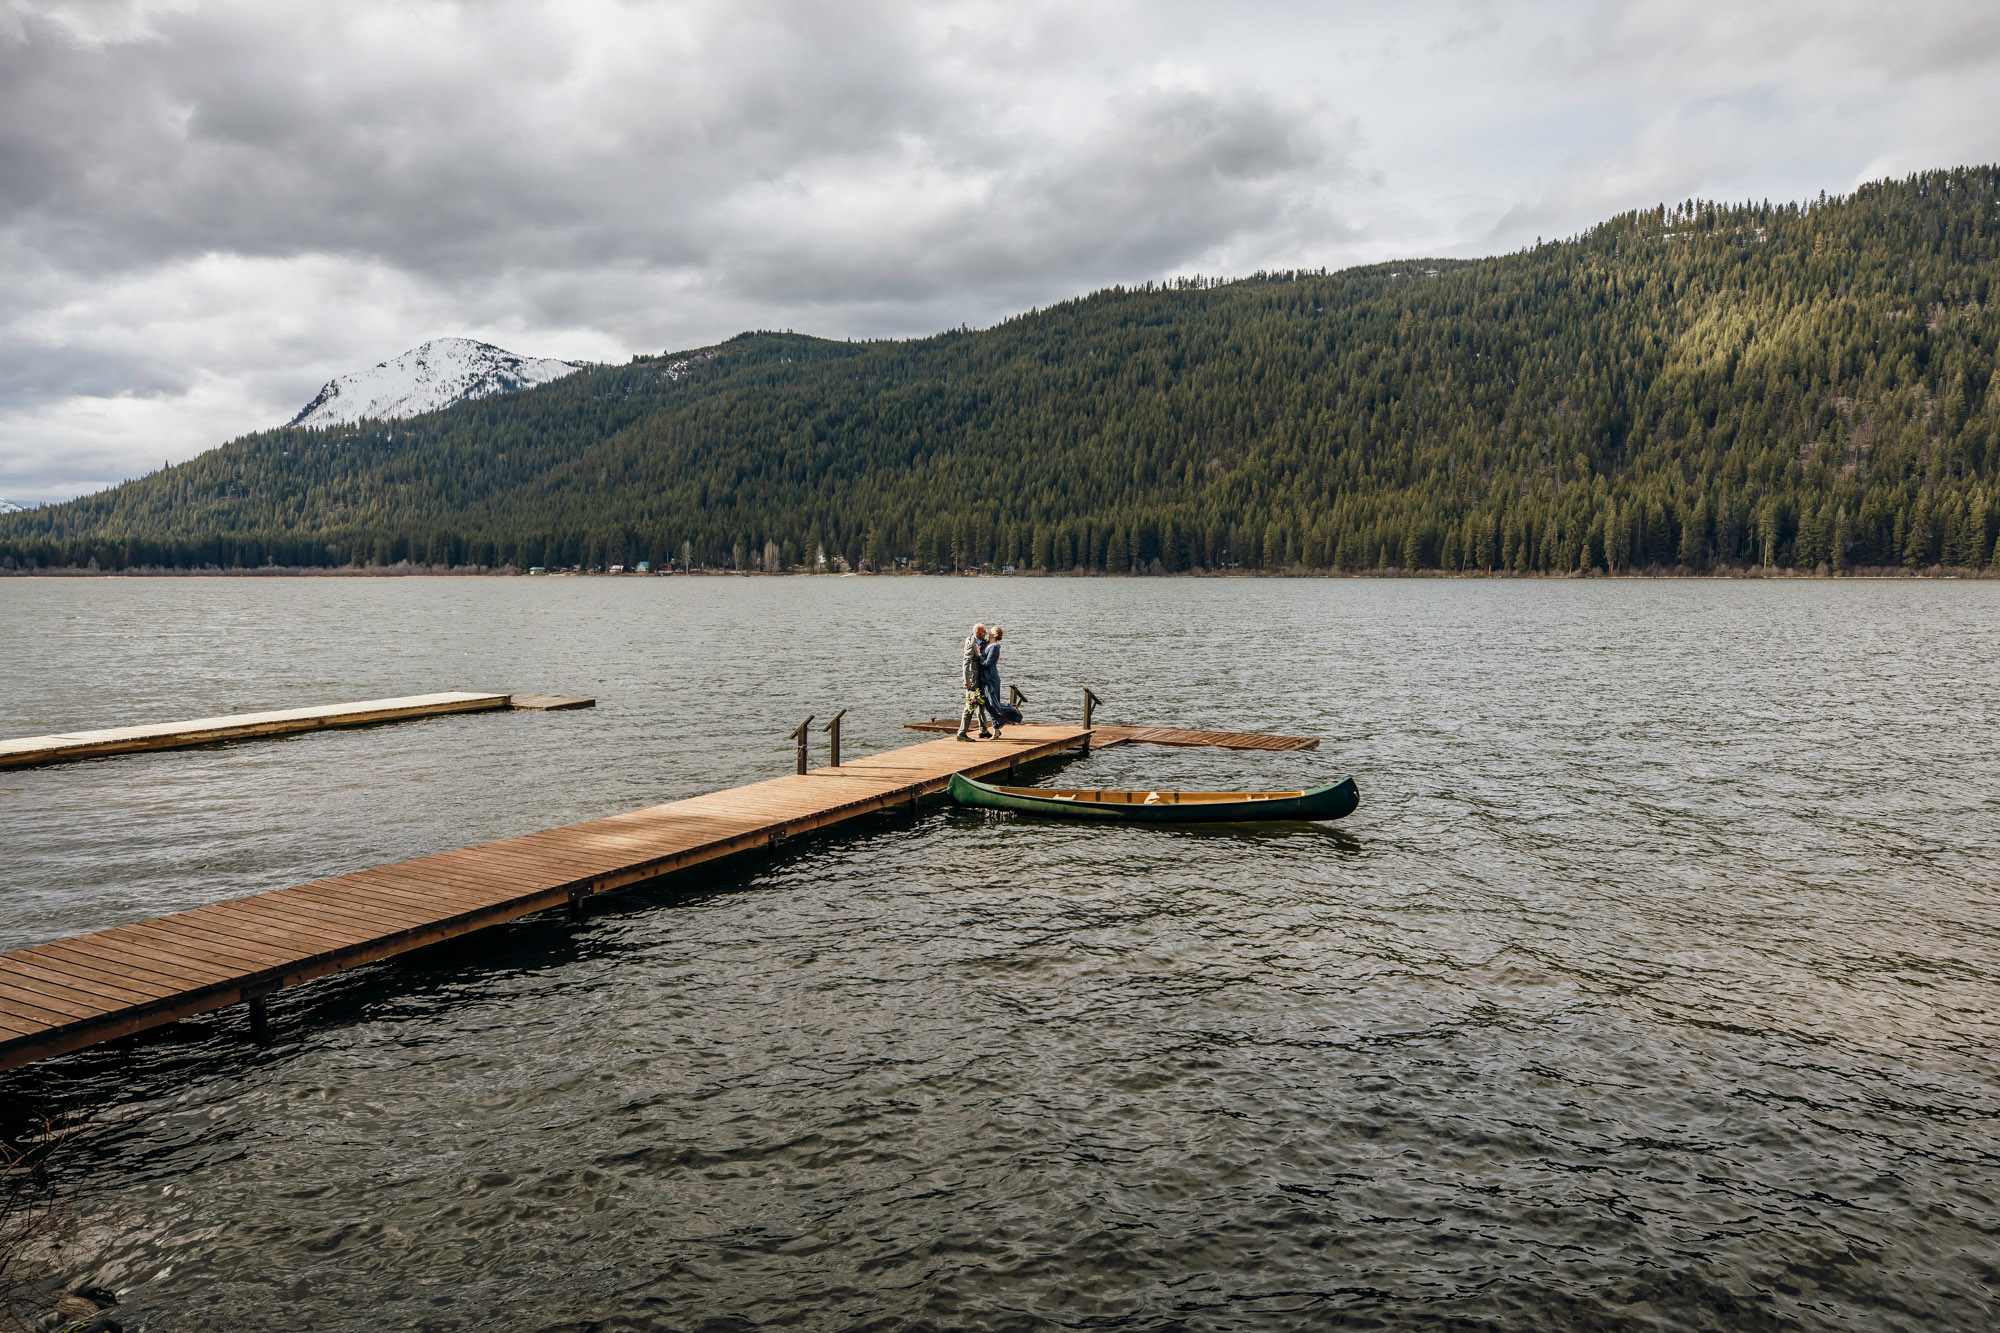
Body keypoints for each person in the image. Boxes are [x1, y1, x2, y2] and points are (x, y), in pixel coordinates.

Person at [956, 623, 993, 741]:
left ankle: (983, 730)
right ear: (977, 633)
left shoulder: (981, 642)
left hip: (980, 679)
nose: (985, 634)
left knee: (981, 704)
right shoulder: (971, 644)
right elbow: (965, 662)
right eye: (984, 632)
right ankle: (961, 733)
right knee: (970, 705)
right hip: (972, 681)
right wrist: (966, 681)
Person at [980, 626, 1007, 738]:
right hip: (985, 678)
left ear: (995, 635)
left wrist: (978, 656)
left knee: (993, 703)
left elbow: (987, 663)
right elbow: (977, 641)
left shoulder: (995, 647)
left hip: (992, 678)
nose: (988, 632)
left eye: (990, 631)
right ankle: (996, 729)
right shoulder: (987, 643)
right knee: (988, 704)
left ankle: (1009, 713)